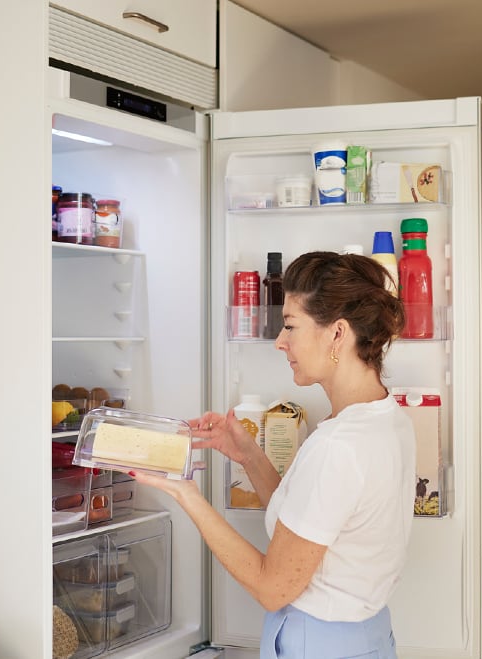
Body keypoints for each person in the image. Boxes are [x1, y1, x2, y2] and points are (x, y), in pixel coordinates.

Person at [132, 251, 416, 659]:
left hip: (319, 646)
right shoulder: (387, 418)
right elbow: (308, 522)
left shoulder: (338, 446)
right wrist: (248, 454)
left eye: (290, 326)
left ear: (337, 333)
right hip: (366, 639)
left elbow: (272, 587)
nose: (280, 342)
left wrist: (186, 494)